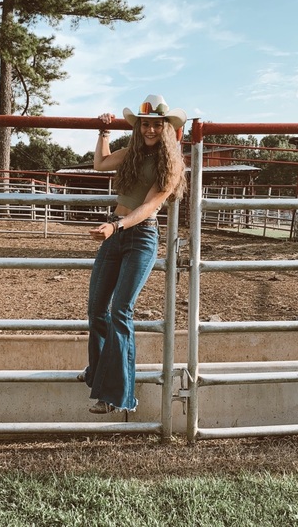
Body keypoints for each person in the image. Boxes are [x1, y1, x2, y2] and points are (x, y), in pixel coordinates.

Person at [80, 94, 187, 414]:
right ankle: (98, 375)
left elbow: (150, 205)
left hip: (140, 236)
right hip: (115, 232)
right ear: (138, 127)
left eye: (157, 125)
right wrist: (104, 131)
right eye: (145, 125)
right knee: (96, 308)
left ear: (166, 128)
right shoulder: (131, 153)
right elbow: (100, 163)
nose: (150, 130)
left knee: (120, 310)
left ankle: (117, 396)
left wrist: (117, 226)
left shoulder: (171, 164)